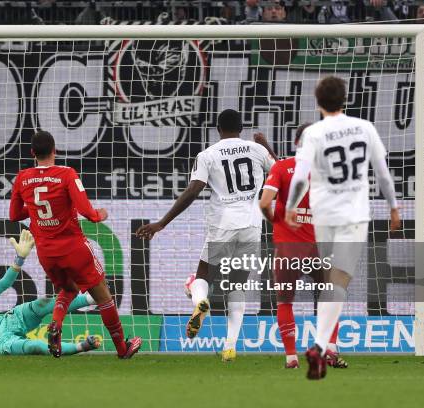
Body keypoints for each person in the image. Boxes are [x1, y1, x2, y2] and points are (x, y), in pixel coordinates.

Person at [137, 109, 275, 362]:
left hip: (223, 224)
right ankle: (230, 347)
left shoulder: (208, 155)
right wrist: (265, 145)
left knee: (202, 277)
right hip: (252, 225)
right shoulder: (256, 150)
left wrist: (162, 223)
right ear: (241, 127)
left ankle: (201, 302)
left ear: (218, 128)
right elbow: (280, 173)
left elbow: (193, 191)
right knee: (237, 286)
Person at [285, 76, 400, 380]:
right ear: (344, 99)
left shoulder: (313, 132)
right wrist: (394, 207)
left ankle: (321, 348)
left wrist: (291, 207)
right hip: (353, 216)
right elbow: (384, 176)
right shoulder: (365, 128)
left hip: (323, 217)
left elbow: (299, 178)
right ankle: (322, 347)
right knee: (338, 283)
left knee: (330, 283)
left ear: (318, 101)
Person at [9, 131, 141, 359]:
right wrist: (99, 215)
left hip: (46, 253)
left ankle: (56, 325)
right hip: (73, 248)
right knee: (104, 297)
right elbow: (86, 211)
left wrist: (32, 209)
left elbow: (13, 215)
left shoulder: (22, 177)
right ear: (55, 150)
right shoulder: (66, 174)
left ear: (32, 153)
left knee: (68, 289)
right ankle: (123, 348)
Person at [259, 123, 347, 369]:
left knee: (285, 301)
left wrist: (277, 218)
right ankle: (329, 347)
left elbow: (264, 202)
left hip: (287, 248)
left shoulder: (281, 167)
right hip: (317, 248)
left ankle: (291, 358)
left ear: (297, 142)